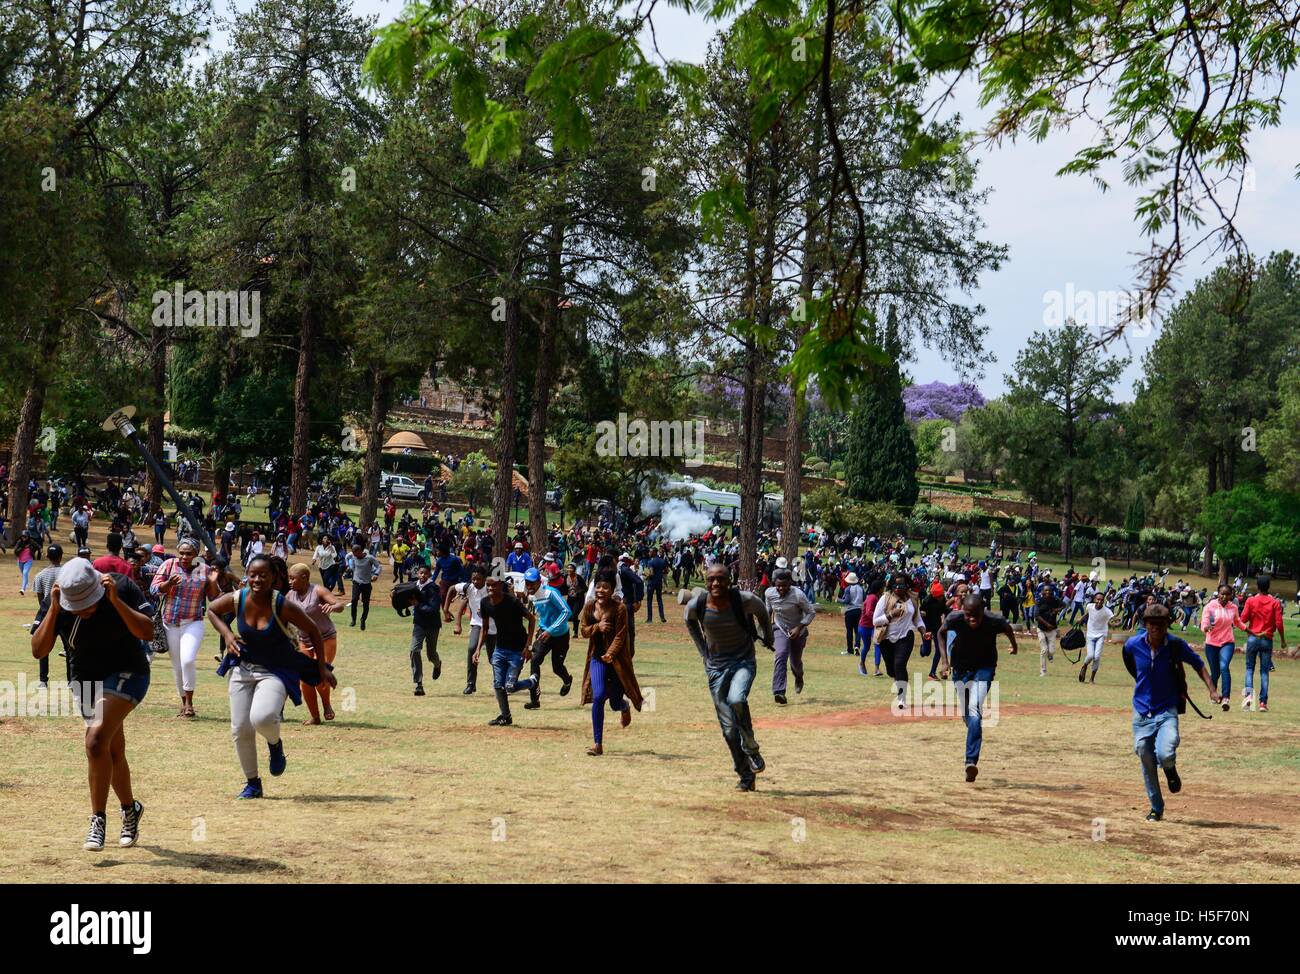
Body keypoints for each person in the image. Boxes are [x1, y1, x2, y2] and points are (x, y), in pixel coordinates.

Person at [31, 558, 157, 850]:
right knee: (111, 750)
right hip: (85, 679)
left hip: (129, 671)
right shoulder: (58, 600)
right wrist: (53, 609)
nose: (84, 611)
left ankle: (97, 819)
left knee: (95, 739)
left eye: (87, 603)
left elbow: (148, 632)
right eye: (76, 606)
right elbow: (39, 650)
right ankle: (130, 810)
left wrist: (115, 602)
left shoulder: (120, 587)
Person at [207, 554, 336, 798]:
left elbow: (313, 630)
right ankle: (253, 783)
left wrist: (321, 667)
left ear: (274, 578)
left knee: (263, 717)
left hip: (275, 670)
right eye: (252, 574)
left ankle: (275, 745)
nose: (256, 579)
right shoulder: (238, 598)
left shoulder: (282, 604)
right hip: (243, 668)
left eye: (263, 575)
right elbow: (212, 610)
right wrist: (227, 634)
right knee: (241, 728)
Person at [1121, 604, 1219, 821]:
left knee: (1165, 752)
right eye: (1151, 624)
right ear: (1145, 624)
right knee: (1144, 754)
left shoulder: (1176, 645)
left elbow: (1198, 664)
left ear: (1167, 625)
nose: (1155, 628)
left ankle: (1169, 767)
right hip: (1141, 711)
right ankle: (1156, 806)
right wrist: (1140, 680)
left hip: (1166, 709)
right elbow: (1129, 661)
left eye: (1161, 624)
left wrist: (1212, 690)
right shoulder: (1133, 644)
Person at [684, 563, 774, 791]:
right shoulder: (698, 604)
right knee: (728, 730)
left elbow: (762, 611)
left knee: (737, 698)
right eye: (711, 579)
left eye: (721, 579)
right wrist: (703, 652)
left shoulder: (744, 600)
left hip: (743, 662)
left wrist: (767, 636)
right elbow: (689, 621)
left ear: (729, 580)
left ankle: (752, 748)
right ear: (705, 582)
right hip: (715, 669)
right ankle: (746, 776)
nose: (716, 583)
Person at [936, 594, 1019, 782]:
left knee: (975, 710)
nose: (971, 618)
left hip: (985, 667)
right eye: (968, 615)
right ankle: (969, 720)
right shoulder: (954, 618)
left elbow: (1008, 629)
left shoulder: (994, 620)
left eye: (976, 615)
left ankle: (970, 761)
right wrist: (944, 661)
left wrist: (1014, 647)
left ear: (984, 610)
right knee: (968, 713)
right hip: (960, 668)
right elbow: (941, 633)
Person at [150, 538, 221, 718]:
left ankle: (190, 702)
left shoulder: (204, 570)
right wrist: (168, 584)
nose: (184, 557)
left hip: (193, 621)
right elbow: (154, 590)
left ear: (196, 554)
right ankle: (184, 703)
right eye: (181, 553)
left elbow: (214, 597)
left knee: (187, 660)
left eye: (188, 553)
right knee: (177, 666)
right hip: (170, 622)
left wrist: (213, 581)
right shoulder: (168, 565)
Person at [579, 569, 642, 755]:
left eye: (605, 587)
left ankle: (624, 706)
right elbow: (583, 631)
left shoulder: (619, 608)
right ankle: (597, 744)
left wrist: (611, 654)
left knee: (614, 703)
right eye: (598, 586)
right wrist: (596, 627)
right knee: (598, 696)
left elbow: (621, 636)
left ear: (612, 589)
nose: (600, 590)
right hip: (597, 659)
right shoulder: (589, 607)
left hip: (616, 663)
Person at [474, 574, 539, 725]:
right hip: (500, 649)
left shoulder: (513, 601)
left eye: (494, 585)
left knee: (509, 687)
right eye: (488, 585)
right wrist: (478, 649)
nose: (490, 588)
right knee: (498, 685)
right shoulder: (485, 603)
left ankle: (531, 682)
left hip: (518, 650)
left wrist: (528, 646)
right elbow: (484, 629)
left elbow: (532, 619)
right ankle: (505, 716)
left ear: (501, 585)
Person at [285, 563, 345, 721]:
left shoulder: (317, 591)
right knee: (305, 679)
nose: (289, 582)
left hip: (326, 638)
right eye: (289, 578)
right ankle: (315, 716)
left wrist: (332, 607)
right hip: (304, 641)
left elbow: (339, 605)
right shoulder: (290, 595)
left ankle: (326, 705)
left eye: (292, 578)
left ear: (304, 578)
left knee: (319, 673)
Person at [764, 568, 815, 705]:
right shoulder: (769, 593)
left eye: (784, 586)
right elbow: (768, 610)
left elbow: (811, 612)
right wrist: (766, 628)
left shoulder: (798, 595)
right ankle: (779, 691)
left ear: (790, 584)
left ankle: (799, 677)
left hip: (799, 630)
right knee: (781, 654)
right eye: (778, 586)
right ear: (774, 584)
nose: (781, 589)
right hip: (780, 628)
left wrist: (799, 627)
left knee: (795, 663)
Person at [873, 576, 926, 706]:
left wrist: (924, 632)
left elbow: (917, 619)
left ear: (906, 585)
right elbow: (875, 621)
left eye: (901, 586)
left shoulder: (912, 599)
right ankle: (897, 682)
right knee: (891, 670)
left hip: (905, 636)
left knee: (900, 664)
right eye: (896, 586)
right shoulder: (885, 598)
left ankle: (901, 698)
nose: (898, 588)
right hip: (886, 638)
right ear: (892, 586)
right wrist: (891, 614)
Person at [1239, 575, 1289, 712]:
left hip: (1253, 637)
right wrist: (1283, 640)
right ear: (1269, 586)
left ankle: (1248, 698)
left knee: (1249, 669)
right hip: (1267, 638)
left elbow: (1242, 619)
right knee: (1264, 672)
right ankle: (1262, 703)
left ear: (1258, 586)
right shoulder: (1275, 602)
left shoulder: (1250, 601)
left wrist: (1248, 630)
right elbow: (1279, 623)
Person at [524, 567, 573, 705]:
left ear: (539, 581)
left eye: (532, 583)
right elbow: (543, 615)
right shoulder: (532, 596)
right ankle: (534, 699)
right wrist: (542, 629)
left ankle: (567, 680)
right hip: (544, 634)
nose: (529, 586)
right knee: (534, 660)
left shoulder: (550, 593)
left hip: (561, 636)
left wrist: (550, 630)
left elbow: (566, 612)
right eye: (527, 583)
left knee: (557, 667)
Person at [1200, 584, 1245, 713]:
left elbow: (1237, 622)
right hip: (1211, 643)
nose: (1224, 596)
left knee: (1224, 667)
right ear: (1218, 593)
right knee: (1215, 672)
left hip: (1227, 642)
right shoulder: (1210, 606)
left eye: (1227, 594)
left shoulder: (1233, 607)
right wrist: (1206, 628)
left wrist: (1248, 630)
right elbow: (1204, 623)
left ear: (1231, 595)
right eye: (1222, 594)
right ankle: (1213, 694)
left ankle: (1225, 698)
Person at [450, 565, 493, 695]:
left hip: (492, 626)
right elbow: (454, 591)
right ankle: (470, 683)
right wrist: (455, 620)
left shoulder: (490, 589)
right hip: (477, 624)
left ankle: (500, 682)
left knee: (493, 657)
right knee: (471, 649)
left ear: (484, 579)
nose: (475, 582)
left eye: (478, 579)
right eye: (473, 579)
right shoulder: (469, 588)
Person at [32, 544, 65, 687]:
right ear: (61, 556)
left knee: (44, 648)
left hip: (48, 613)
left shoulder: (40, 575)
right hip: (66, 612)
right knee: (70, 648)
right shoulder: (66, 573)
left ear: (46, 556)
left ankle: (43, 681)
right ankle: (72, 680)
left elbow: (41, 599)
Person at [408, 563, 442, 696]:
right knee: (414, 650)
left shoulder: (433, 588)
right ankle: (419, 684)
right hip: (419, 624)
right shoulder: (413, 586)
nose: (423, 575)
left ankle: (437, 664)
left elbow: (433, 608)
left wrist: (418, 605)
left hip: (433, 625)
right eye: (421, 573)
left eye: (425, 573)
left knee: (431, 654)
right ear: (418, 573)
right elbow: (403, 598)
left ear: (429, 574)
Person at [1079, 590, 1113, 684]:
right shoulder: (1089, 606)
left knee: (1097, 657)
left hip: (1101, 635)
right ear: (1094, 599)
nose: (1099, 601)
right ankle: (1084, 666)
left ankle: (1092, 679)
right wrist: (1080, 619)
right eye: (1098, 599)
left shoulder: (1107, 611)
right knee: (1090, 655)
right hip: (1090, 635)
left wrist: (1115, 624)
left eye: (1102, 600)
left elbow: (1111, 620)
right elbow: (1087, 614)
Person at [348, 542, 381, 631]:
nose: (355, 556)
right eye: (354, 554)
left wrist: (376, 574)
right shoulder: (354, 557)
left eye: (357, 554)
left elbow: (378, 566)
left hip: (366, 583)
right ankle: (353, 620)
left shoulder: (369, 558)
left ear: (361, 551)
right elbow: (353, 566)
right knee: (354, 600)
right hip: (356, 582)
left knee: (365, 603)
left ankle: (363, 620)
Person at [1035, 582, 1064, 676]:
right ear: (1043, 592)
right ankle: (1043, 671)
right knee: (1044, 650)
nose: (1048, 592)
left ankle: (1050, 655)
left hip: (1052, 630)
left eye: (1049, 590)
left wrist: (1057, 610)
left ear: (1052, 592)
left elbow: (1064, 605)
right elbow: (1037, 616)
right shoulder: (1039, 601)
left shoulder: (1055, 600)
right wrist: (1047, 624)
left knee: (1051, 651)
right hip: (1041, 629)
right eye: (1046, 590)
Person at [838, 571, 864, 656]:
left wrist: (838, 600)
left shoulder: (848, 589)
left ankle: (850, 650)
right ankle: (857, 646)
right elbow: (864, 598)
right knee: (857, 630)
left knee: (849, 630)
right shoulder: (861, 588)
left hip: (850, 611)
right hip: (859, 611)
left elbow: (846, 601)